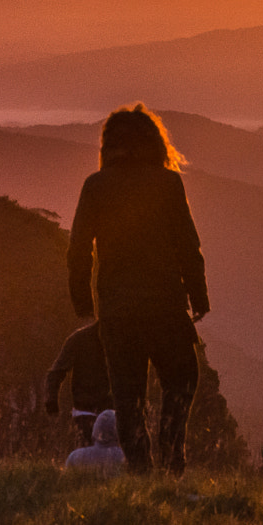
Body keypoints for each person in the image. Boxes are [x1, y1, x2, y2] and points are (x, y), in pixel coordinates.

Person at [67, 104, 210, 475]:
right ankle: (172, 455)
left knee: (127, 395)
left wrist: (83, 301)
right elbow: (187, 245)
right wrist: (199, 295)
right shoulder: (167, 183)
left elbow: (78, 248)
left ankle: (140, 467)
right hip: (165, 305)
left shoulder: (95, 186)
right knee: (182, 380)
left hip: (116, 310)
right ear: (153, 142)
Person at [43, 320, 114, 449]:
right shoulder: (80, 339)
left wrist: (51, 401)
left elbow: (55, 372)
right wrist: (51, 401)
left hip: (96, 410)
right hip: (89, 411)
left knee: (87, 456)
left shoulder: (79, 338)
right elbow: (56, 372)